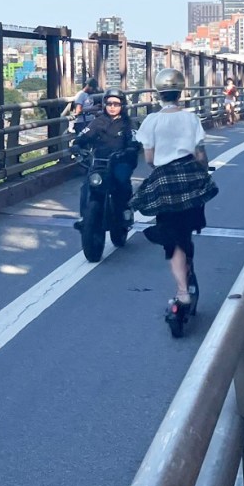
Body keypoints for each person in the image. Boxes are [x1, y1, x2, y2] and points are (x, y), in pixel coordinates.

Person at [129, 68, 218, 313]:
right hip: (190, 177)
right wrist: (201, 169)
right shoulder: (190, 118)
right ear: (180, 93)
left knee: (173, 239)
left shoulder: (152, 121)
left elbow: (149, 158)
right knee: (187, 229)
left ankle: (181, 291)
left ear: (159, 93)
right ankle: (188, 275)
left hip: (165, 180)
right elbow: (200, 154)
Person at [71, 87, 136, 230]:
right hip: (100, 162)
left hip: (120, 161)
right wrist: (77, 144)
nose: (112, 107)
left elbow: (134, 139)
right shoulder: (98, 122)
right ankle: (85, 217)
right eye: (109, 103)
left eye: (116, 104)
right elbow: (84, 135)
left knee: (122, 183)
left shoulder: (127, 123)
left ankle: (125, 212)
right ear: (105, 104)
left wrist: (131, 148)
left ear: (122, 106)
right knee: (86, 186)